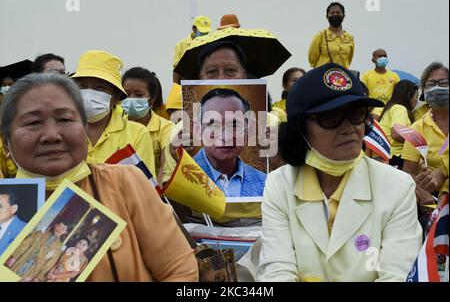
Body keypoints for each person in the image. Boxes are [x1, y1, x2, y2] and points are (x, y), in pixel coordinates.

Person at [0, 73, 198, 281]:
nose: (51, 135)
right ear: (6, 142)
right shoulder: (5, 204)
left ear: (84, 129)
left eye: (65, 119)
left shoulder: (125, 182)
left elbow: (180, 271)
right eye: (33, 122)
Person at [257, 63, 422, 282]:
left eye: (357, 114)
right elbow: (277, 273)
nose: (348, 128)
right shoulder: (280, 185)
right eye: (331, 118)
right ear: (300, 129)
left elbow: (398, 275)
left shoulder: (397, 187)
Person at [71, 50, 156, 176]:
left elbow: (144, 187)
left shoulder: (136, 134)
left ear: (115, 97)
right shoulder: (63, 132)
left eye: (100, 87)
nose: (89, 94)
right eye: (82, 86)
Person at [193, 88, 267, 226]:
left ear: (248, 129)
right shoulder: (181, 179)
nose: (225, 137)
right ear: (198, 130)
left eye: (234, 125)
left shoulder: (265, 183)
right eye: (213, 124)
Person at [402, 63, 449, 208]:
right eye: (431, 84)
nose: (437, 88)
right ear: (424, 91)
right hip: (434, 205)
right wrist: (421, 192)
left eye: (443, 83)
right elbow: (408, 173)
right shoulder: (416, 129)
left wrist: (441, 173)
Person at [122, 67, 174, 179]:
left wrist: (157, 195)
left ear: (152, 98)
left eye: (139, 94)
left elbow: (164, 168)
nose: (131, 99)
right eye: (127, 94)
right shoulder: (115, 126)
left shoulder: (166, 128)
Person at [379, 80, 419, 169]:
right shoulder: (400, 109)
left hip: (387, 155)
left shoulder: (390, 108)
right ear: (409, 96)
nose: (416, 100)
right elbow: (396, 134)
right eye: (416, 96)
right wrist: (417, 142)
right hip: (396, 156)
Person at [308, 2, 354, 69]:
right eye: (332, 13)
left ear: (343, 16)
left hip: (341, 77)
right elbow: (312, 61)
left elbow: (348, 60)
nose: (335, 15)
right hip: (322, 76)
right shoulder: (320, 36)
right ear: (327, 17)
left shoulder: (349, 38)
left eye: (338, 13)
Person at [361, 49, 401, 119]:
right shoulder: (366, 75)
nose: (383, 58)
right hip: (373, 107)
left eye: (385, 56)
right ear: (373, 60)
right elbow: (362, 93)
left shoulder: (394, 76)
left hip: (389, 107)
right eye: (380, 56)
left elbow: (400, 93)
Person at [173, 16, 212, 84]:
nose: (205, 35)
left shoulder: (211, 43)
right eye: (202, 32)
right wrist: (176, 88)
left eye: (206, 32)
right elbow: (176, 70)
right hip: (187, 84)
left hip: (205, 83)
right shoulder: (181, 45)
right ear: (194, 29)